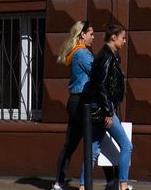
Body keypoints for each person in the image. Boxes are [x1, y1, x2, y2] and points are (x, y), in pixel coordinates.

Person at [86, 22, 133, 190]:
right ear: (113, 37)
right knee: (127, 146)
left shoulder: (108, 55)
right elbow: (102, 86)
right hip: (105, 109)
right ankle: (123, 185)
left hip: (99, 108)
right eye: (123, 38)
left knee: (92, 150)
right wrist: (108, 111)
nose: (125, 41)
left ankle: (84, 187)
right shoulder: (107, 57)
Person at [52, 20, 95, 190]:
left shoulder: (78, 52)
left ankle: (59, 182)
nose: (93, 37)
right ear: (82, 35)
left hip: (76, 101)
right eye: (91, 33)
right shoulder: (82, 53)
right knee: (93, 140)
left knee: (71, 143)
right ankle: (109, 182)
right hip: (82, 102)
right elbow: (96, 72)